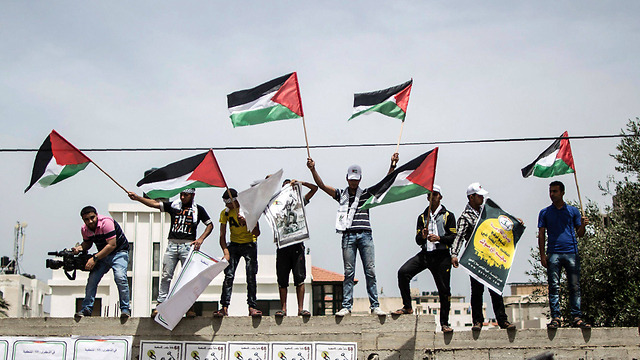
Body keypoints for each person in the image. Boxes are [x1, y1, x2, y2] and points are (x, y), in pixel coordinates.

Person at [306, 153, 399, 317]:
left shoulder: (366, 194)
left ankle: (375, 305)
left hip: (365, 235)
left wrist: (392, 165)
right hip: (348, 236)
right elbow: (321, 185)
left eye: (356, 179)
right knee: (348, 272)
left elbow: (385, 183)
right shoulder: (341, 194)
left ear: (360, 179)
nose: (353, 182)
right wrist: (313, 169)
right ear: (347, 178)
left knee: (370, 271)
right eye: (351, 179)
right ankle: (347, 306)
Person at [128, 188, 213, 317]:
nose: (183, 197)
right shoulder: (174, 206)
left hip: (188, 245)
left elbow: (210, 224)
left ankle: (188, 307)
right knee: (166, 275)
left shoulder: (198, 209)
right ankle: (160, 305)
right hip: (172, 244)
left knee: (188, 278)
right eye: (182, 194)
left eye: (186, 195)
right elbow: (155, 204)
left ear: (192, 195)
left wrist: (200, 239)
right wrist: (138, 198)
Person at [450, 183, 516, 331]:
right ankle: (477, 321)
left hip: (492, 257)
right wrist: (454, 254)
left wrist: (515, 223)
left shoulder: (487, 212)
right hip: (476, 259)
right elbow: (459, 236)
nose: (482, 198)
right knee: (477, 290)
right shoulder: (465, 217)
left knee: (495, 288)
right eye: (479, 195)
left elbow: (501, 223)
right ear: (471, 197)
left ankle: (502, 320)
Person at [392, 185, 457, 333]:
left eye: (435, 194)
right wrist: (422, 236)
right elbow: (417, 240)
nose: (433, 197)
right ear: (427, 197)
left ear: (440, 196)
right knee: (403, 272)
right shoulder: (422, 217)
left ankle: (444, 323)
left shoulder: (448, 216)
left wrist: (439, 238)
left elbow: (453, 237)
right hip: (426, 254)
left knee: (444, 291)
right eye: (430, 194)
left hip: (441, 256)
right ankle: (407, 306)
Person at [538, 180, 590, 329]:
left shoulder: (573, 211)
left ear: (562, 192)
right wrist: (542, 255)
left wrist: (583, 225)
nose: (552, 194)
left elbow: (580, 234)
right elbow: (541, 234)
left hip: (571, 252)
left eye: (555, 191)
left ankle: (576, 316)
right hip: (553, 253)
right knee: (554, 286)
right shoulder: (545, 212)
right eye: (550, 191)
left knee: (574, 286)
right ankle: (556, 317)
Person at [73, 206, 131, 319]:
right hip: (103, 255)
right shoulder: (85, 229)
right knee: (92, 280)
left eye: (92, 218)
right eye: (86, 219)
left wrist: (95, 258)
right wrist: (79, 248)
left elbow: (111, 245)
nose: (90, 221)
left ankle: (125, 309)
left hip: (118, 252)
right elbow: (87, 243)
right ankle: (87, 308)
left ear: (96, 215)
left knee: (120, 277)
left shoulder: (106, 223)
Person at [213, 188, 262, 317]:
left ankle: (252, 306)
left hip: (249, 244)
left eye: (228, 202)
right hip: (234, 244)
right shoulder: (226, 213)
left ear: (235, 201)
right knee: (228, 275)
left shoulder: (248, 210)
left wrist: (246, 222)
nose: (226, 205)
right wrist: (225, 251)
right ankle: (224, 307)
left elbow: (257, 233)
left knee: (251, 276)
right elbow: (222, 235)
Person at [275, 179, 318, 317]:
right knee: (282, 279)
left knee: (300, 277)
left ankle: (300, 308)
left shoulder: (299, 202)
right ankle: (283, 309)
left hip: (297, 244)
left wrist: (301, 183)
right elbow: (265, 190)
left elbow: (314, 189)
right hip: (283, 245)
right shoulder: (276, 204)